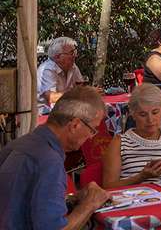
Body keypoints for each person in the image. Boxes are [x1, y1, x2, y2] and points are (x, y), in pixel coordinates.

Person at [0, 86, 110, 229]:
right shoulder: (49, 161)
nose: (90, 137)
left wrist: (72, 199)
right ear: (75, 125)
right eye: (92, 130)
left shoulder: (22, 144)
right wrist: (90, 204)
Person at [102, 84, 161, 188]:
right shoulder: (120, 143)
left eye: (155, 112)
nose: (150, 120)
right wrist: (141, 177)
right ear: (132, 114)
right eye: (143, 114)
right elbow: (108, 186)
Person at [38, 37, 86, 105]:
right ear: (57, 57)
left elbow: (80, 87)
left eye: (75, 52)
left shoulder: (72, 66)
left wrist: (90, 91)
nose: (75, 55)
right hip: (44, 112)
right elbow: (51, 98)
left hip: (65, 107)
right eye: (71, 53)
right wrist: (78, 93)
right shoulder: (47, 69)